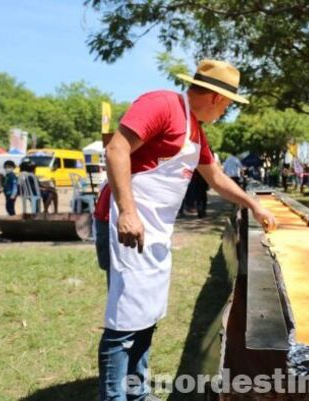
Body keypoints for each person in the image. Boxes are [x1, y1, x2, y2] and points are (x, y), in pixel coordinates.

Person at [92, 60, 276, 401]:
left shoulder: (196, 131)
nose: (227, 112)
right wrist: (128, 212)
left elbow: (217, 178)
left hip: (155, 233)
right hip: (125, 225)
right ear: (217, 99)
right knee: (125, 322)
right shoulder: (162, 104)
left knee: (146, 318)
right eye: (229, 106)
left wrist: (253, 204)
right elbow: (116, 149)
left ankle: (137, 393)